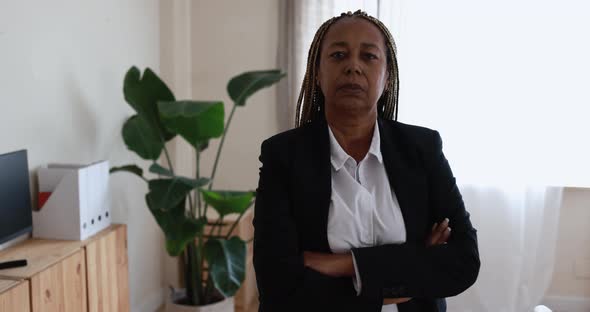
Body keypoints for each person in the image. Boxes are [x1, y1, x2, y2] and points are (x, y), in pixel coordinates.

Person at [252, 10, 480, 312]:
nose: (353, 67)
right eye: (338, 55)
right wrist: (413, 263)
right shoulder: (283, 156)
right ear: (318, 74)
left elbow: (463, 261)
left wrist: (344, 264)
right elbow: (276, 283)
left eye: (369, 56)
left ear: (387, 78)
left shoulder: (422, 149)